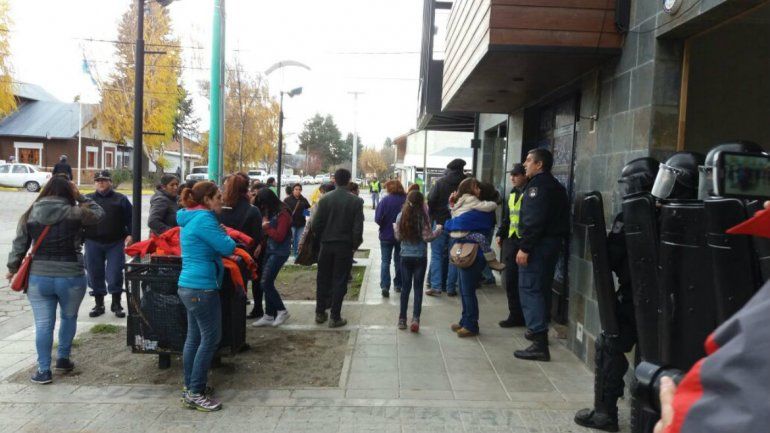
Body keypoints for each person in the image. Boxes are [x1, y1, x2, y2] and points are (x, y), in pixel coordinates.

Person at [574, 157, 660, 431]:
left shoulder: (634, 215)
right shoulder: (674, 210)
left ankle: (605, 412)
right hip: (674, 304)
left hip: (638, 296)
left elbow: (612, 256)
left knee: (609, 345)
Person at [6, 176, 104, 384]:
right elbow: (98, 214)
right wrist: (81, 196)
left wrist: (12, 268)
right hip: (71, 275)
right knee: (69, 318)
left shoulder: (30, 214)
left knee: (43, 324)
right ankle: (63, 359)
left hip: (38, 277)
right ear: (69, 193)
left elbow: (19, 244)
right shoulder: (76, 212)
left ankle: (43, 370)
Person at [177, 181, 235, 412]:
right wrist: (224, 234)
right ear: (208, 200)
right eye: (218, 197)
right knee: (210, 338)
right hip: (202, 288)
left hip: (188, 286)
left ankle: (190, 386)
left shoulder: (190, 217)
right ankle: (195, 392)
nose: (222, 200)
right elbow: (228, 247)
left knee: (194, 338)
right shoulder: (205, 219)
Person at [513, 148, 569, 362]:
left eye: (528, 160)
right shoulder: (554, 186)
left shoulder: (538, 187)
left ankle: (538, 341)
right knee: (542, 287)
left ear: (539, 165)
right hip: (550, 245)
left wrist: (525, 247)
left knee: (530, 288)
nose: (524, 164)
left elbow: (534, 221)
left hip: (538, 246)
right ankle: (538, 331)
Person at [312, 169, 364, 328]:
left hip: (326, 245)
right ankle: (335, 316)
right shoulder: (355, 201)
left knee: (323, 279)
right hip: (344, 246)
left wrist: (322, 238)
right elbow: (357, 228)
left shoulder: (325, 199)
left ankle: (320, 312)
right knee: (340, 280)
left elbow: (316, 224)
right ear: (348, 180)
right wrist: (354, 245)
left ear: (334, 180)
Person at [444, 178, 496, 337]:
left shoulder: (481, 212)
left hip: (474, 255)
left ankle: (471, 325)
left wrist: (451, 223)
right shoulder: (474, 208)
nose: (477, 189)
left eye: (478, 188)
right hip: (466, 253)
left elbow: (452, 225)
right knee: (464, 288)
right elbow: (454, 220)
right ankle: (464, 321)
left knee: (467, 291)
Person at [83, 170, 133, 318]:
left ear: (110, 182)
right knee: (94, 273)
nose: (101, 183)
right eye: (98, 180)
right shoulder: (87, 199)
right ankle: (99, 304)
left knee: (115, 273)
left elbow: (131, 219)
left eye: (104, 180)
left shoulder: (121, 199)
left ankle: (116, 303)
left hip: (115, 242)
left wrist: (131, 234)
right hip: (93, 241)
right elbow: (79, 219)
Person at [394, 190, 442, 332]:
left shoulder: (400, 216)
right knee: (418, 289)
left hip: (405, 256)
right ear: (422, 202)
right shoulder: (423, 216)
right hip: (420, 257)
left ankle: (402, 319)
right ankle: (415, 319)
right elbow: (427, 237)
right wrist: (438, 230)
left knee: (405, 288)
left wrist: (395, 228)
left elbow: (398, 237)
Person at [218, 173, 263, 319]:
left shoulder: (220, 210)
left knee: (224, 292)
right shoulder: (252, 210)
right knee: (240, 291)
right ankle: (237, 328)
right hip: (243, 257)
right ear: (246, 189)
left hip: (222, 257)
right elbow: (256, 237)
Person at [252, 188, 293, 327]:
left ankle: (281, 310)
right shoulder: (271, 210)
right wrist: (261, 244)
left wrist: (266, 228)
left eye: (263, 203)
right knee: (266, 281)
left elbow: (280, 236)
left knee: (265, 282)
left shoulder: (283, 213)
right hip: (270, 249)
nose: (262, 206)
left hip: (279, 252)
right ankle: (269, 315)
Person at [427, 159, 467, 296]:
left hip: (440, 223)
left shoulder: (440, 182)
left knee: (436, 255)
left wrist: (433, 215)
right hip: (459, 224)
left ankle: (436, 287)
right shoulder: (467, 184)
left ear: (449, 169)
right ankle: (451, 288)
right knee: (454, 256)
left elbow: (431, 200)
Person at [445, 179, 505, 271]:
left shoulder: (461, 200)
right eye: (476, 188)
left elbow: (453, 210)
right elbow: (484, 206)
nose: (479, 190)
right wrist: (494, 204)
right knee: (481, 238)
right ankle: (492, 260)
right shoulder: (471, 199)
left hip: (456, 234)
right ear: (470, 190)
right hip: (465, 233)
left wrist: (452, 204)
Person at [495, 164, 528, 328]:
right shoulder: (512, 193)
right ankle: (514, 315)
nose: (512, 178)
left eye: (516, 175)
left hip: (525, 241)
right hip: (511, 240)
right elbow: (508, 217)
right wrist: (501, 233)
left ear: (524, 175)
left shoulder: (529, 192)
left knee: (526, 282)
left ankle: (526, 316)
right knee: (511, 280)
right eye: (511, 175)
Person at [375, 180, 407, 298]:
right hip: (403, 235)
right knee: (399, 261)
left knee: (385, 261)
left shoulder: (385, 201)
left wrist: (384, 224)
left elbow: (377, 218)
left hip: (386, 235)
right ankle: (398, 284)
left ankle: (385, 286)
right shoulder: (406, 199)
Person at [282, 183, 311, 257]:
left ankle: (297, 254)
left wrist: (305, 216)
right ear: (293, 190)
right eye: (296, 189)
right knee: (291, 239)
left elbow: (307, 209)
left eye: (299, 189)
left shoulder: (303, 199)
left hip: (301, 223)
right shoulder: (287, 200)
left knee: (299, 240)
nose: (298, 191)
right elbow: (284, 211)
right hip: (291, 223)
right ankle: (287, 254)